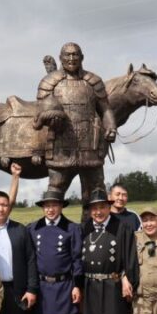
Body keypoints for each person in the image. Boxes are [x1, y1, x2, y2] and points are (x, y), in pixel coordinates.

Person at [35, 42, 117, 202]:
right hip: (60, 146)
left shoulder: (93, 81)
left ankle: (94, 226)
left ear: (82, 57)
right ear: (60, 58)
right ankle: (54, 226)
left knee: (96, 192)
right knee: (55, 189)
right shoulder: (49, 82)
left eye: (75, 54)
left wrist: (111, 126)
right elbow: (40, 113)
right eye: (67, 54)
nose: (71, 58)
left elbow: (106, 109)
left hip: (90, 147)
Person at [81, 189, 139, 314]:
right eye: (94, 208)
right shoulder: (85, 228)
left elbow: (130, 257)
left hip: (114, 283)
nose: (98, 212)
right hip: (91, 284)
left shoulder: (122, 227)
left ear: (109, 207)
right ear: (90, 211)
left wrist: (127, 278)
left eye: (102, 207)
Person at [28, 190, 83, 314]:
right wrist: (32, 288)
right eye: (47, 206)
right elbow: (30, 261)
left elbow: (77, 259)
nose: (50, 209)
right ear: (43, 208)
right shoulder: (33, 228)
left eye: (54, 205)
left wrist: (77, 285)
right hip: (42, 287)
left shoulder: (72, 228)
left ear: (61, 206)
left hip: (65, 285)